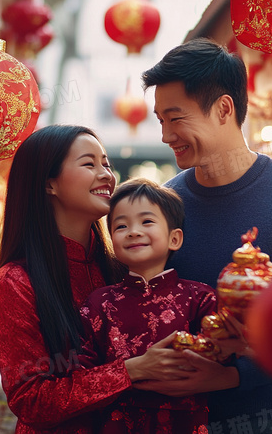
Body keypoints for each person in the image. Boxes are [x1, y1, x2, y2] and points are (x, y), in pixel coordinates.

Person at [140, 38, 272, 433]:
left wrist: (230, 376)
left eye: (176, 118)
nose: (166, 135)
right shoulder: (164, 208)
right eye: (160, 120)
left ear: (224, 109)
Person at [0, 125, 197, 434]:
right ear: (49, 184)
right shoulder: (16, 282)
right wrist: (131, 371)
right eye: (89, 164)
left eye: (106, 164)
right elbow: (31, 400)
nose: (107, 174)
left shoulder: (122, 269)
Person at [78, 177, 217, 433]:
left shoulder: (200, 298)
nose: (133, 231)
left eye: (147, 221)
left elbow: (221, 357)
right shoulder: (99, 303)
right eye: (121, 226)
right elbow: (82, 372)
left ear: (174, 239)